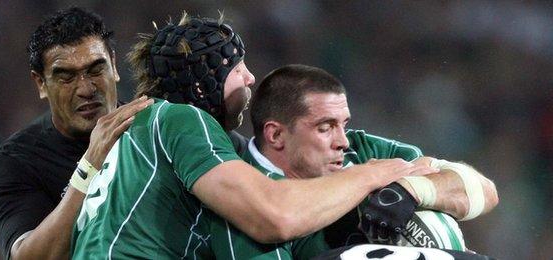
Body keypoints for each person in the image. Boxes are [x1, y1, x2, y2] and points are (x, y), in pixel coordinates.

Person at [71, 13, 438, 259]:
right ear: (203, 84)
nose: (250, 79)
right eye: (237, 67)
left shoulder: (138, 127)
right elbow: (272, 216)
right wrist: (371, 174)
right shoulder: (180, 119)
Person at [207, 64, 499, 258]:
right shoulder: (245, 198)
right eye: (325, 128)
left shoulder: (361, 150)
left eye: (343, 124)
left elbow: (485, 191)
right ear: (276, 135)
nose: (342, 141)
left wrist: (412, 190)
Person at [0, 7, 155, 260]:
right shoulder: (14, 163)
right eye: (66, 78)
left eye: (95, 70)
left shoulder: (158, 127)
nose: (85, 88)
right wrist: (90, 164)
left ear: (114, 66)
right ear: (41, 83)